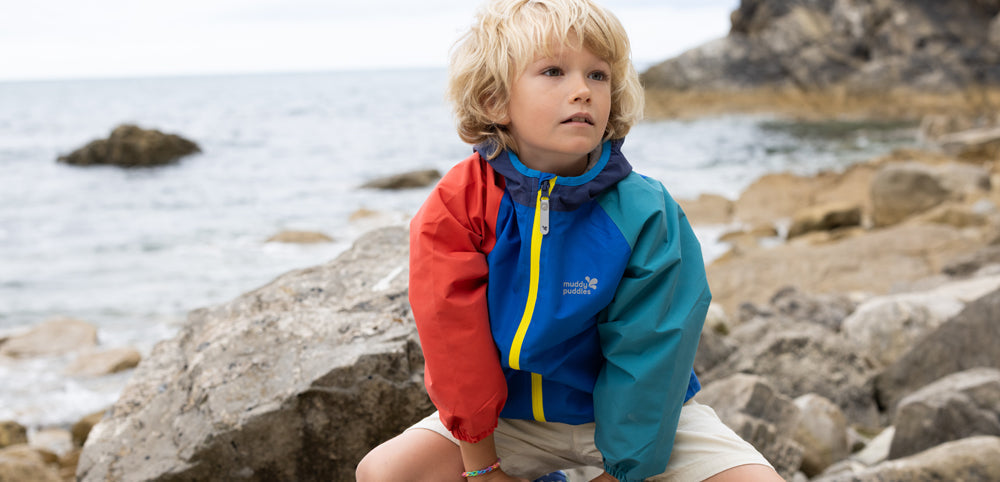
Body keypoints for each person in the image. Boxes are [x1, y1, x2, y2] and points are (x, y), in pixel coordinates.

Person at [356, 0, 785, 480]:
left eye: (598, 76)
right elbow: (454, 346)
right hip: (508, 422)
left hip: (633, 425)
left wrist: (621, 472)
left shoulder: (647, 212)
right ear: (496, 101)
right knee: (385, 472)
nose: (582, 90)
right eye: (554, 71)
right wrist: (482, 467)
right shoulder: (458, 205)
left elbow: (653, 355)